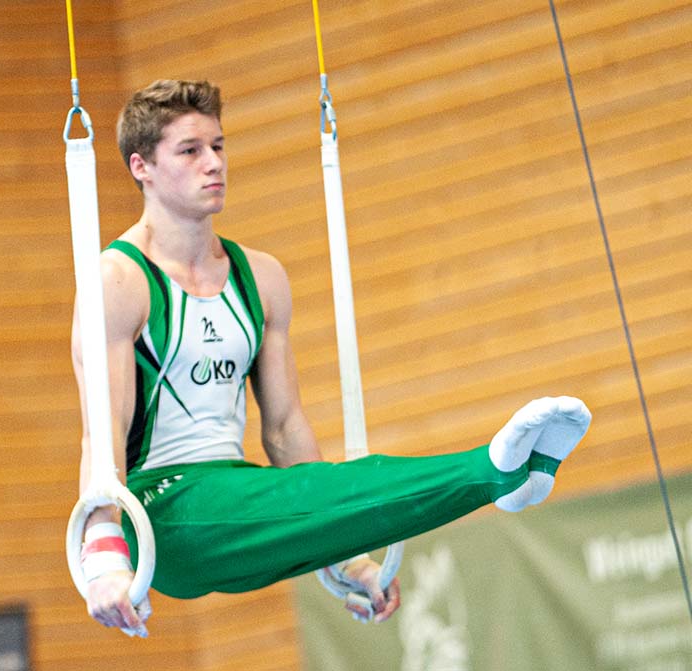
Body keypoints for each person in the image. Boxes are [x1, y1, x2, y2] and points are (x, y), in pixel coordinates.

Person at [71, 79, 592, 637]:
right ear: (141, 167)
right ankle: (493, 471)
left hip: (243, 503)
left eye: (218, 146)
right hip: (164, 515)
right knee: (285, 495)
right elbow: (101, 437)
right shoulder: (120, 281)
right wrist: (102, 555)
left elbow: (286, 429)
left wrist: (346, 555)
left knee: (341, 483)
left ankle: (503, 478)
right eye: (190, 150)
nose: (213, 163)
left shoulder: (260, 277)